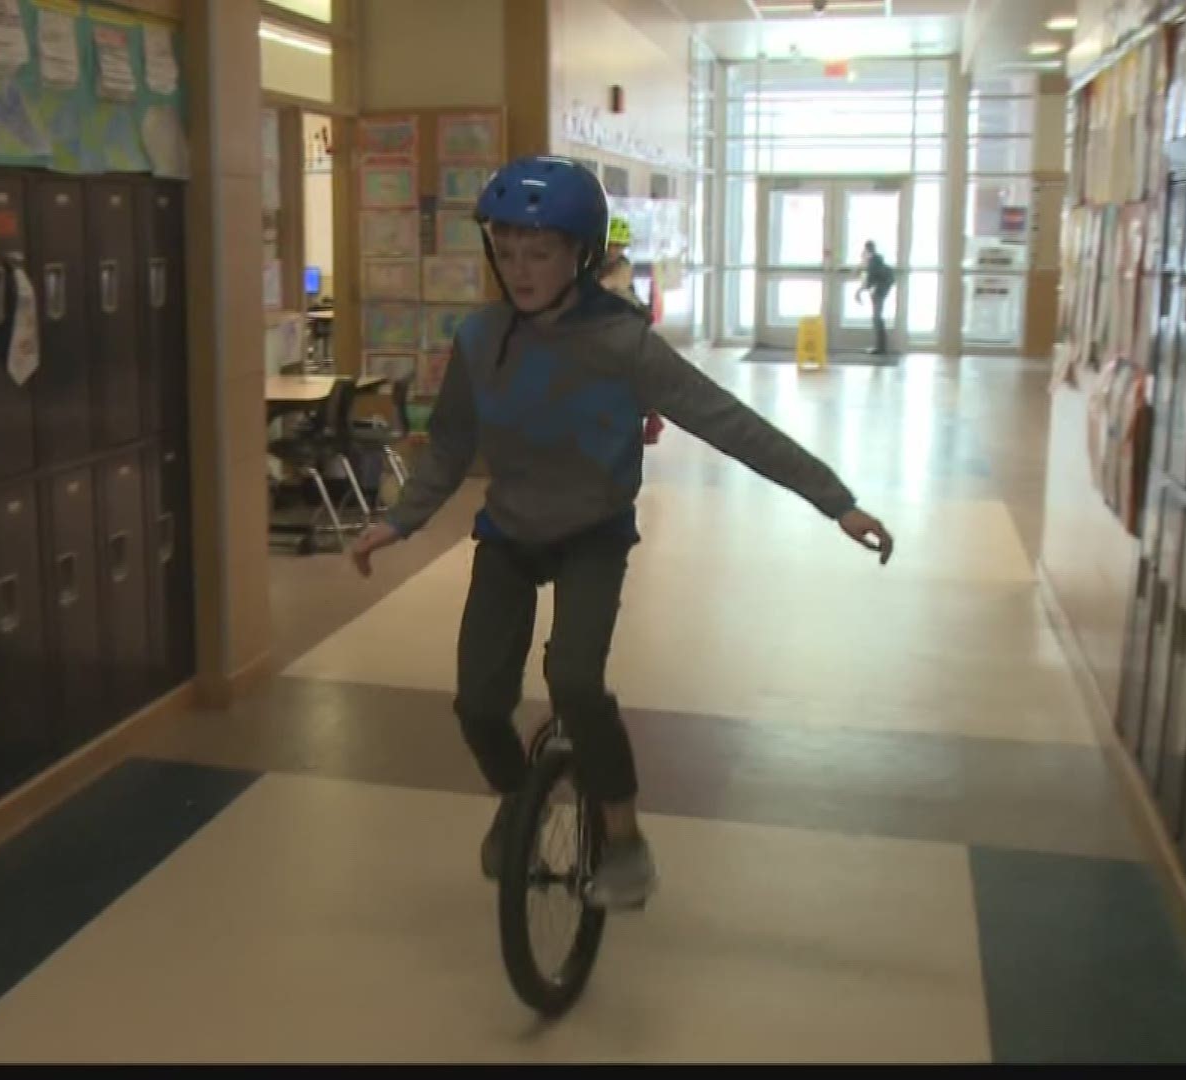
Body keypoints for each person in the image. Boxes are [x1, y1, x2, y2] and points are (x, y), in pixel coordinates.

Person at [347, 157, 893, 909]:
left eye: (539, 252)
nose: (522, 270)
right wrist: (397, 521)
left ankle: (627, 840)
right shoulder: (480, 338)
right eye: (507, 253)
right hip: (508, 533)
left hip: (592, 534)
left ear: (581, 253)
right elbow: (448, 444)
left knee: (574, 681)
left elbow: (729, 423)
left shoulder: (623, 345)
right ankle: (519, 798)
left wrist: (838, 503)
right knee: (478, 703)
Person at [600, 213, 665, 446]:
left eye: (618, 246)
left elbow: (612, 289)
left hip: (625, 320)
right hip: (605, 323)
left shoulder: (622, 267)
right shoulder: (592, 263)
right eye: (610, 245)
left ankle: (651, 414)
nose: (613, 250)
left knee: (637, 372)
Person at [855, 240, 897, 355]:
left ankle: (881, 347)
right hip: (882, 286)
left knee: (877, 317)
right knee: (877, 316)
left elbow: (869, 281)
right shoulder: (875, 259)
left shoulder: (874, 260)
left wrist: (858, 292)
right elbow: (868, 277)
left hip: (881, 287)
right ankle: (881, 347)